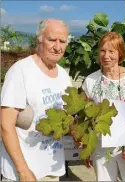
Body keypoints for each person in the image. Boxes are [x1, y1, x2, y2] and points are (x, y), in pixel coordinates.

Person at [1, 18, 72, 181]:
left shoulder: (64, 75)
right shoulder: (21, 71)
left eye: (63, 41)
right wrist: (23, 171)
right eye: (52, 40)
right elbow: (5, 124)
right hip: (22, 173)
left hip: (53, 169)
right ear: (39, 40)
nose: (57, 46)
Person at [82, 32, 125, 181]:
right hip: (102, 147)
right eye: (102, 50)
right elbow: (84, 116)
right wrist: (85, 145)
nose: (106, 55)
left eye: (111, 51)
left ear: (120, 53)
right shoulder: (91, 81)